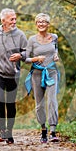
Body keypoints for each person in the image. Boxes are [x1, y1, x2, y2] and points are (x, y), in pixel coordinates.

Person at [0, 8, 27, 144]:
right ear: (3, 21)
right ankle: (2, 131)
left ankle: (10, 132)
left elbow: (28, 51)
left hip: (13, 73)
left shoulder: (20, 35)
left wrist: (20, 55)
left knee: (10, 103)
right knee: (0, 99)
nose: (15, 21)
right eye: (11, 19)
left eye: (15, 18)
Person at [25, 13, 60, 143]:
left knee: (52, 100)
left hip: (51, 72)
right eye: (39, 22)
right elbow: (26, 59)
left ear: (48, 24)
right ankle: (43, 130)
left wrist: (56, 55)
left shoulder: (54, 37)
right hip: (37, 73)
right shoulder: (32, 40)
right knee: (39, 104)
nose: (41, 24)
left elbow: (55, 49)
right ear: (36, 24)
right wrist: (36, 59)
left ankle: (53, 131)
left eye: (44, 22)